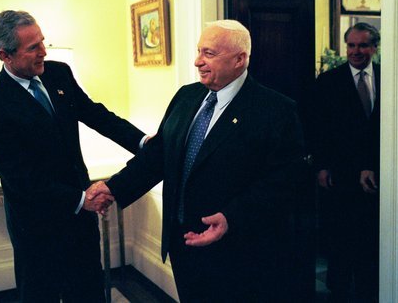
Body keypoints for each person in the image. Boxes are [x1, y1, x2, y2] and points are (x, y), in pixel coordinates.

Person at [89, 20, 306, 302]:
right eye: (199, 51)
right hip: (182, 242)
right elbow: (159, 156)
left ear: (240, 59)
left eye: (209, 54)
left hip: (238, 249)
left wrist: (231, 217)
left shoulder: (276, 110)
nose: (197, 61)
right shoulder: (186, 96)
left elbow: (285, 182)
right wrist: (114, 188)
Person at [0, 10, 147, 302]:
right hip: (37, 229)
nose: (43, 52)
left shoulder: (58, 72)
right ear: (6, 55)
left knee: (90, 292)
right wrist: (82, 200)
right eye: (33, 48)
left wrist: (142, 141)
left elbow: (96, 115)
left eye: (43, 42)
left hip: (81, 221)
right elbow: (23, 182)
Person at [313, 22, 380, 302]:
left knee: (372, 239)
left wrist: (373, 164)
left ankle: (371, 288)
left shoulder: (391, 78)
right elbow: (317, 128)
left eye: (363, 45)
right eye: (351, 45)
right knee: (341, 237)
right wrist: (321, 166)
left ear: (374, 48)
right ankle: (338, 290)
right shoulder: (329, 81)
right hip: (340, 174)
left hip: (379, 174)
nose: (356, 51)